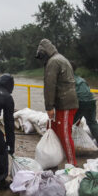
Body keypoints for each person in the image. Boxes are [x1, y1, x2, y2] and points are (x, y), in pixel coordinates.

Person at [35, 38, 78, 166]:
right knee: (54, 131)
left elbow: (50, 85)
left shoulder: (53, 62)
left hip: (65, 104)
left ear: (45, 53)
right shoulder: (61, 58)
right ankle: (55, 160)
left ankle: (72, 163)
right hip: (64, 102)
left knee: (64, 134)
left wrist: (49, 107)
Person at [71, 63, 98, 152]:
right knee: (92, 122)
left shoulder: (68, 80)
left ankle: (69, 147)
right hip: (91, 102)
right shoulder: (82, 79)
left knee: (68, 124)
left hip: (80, 103)